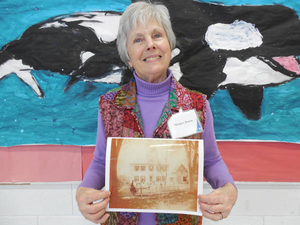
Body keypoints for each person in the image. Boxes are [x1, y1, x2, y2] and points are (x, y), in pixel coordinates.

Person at [76, 1, 238, 224]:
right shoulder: (110, 105)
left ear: (169, 46)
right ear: (128, 56)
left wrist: (229, 189)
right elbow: (102, 161)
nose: (150, 45)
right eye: (139, 39)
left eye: (157, 35)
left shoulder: (196, 104)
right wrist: (83, 191)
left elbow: (210, 160)